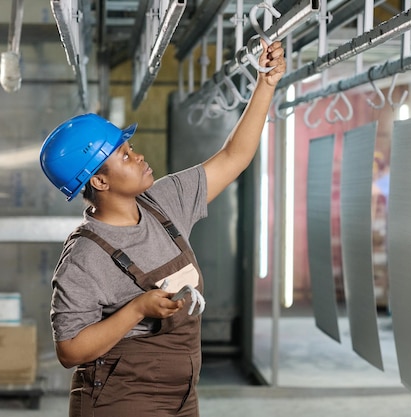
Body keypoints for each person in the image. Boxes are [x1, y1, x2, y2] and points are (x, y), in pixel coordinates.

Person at [39, 39, 286, 417]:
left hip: (181, 395)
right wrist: (137, 309)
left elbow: (234, 157)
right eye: (123, 155)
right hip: (119, 400)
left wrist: (265, 84)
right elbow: (70, 351)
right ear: (100, 182)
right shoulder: (84, 257)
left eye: (130, 146)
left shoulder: (163, 201)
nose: (138, 156)